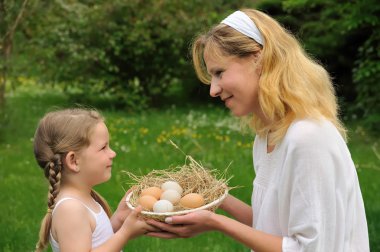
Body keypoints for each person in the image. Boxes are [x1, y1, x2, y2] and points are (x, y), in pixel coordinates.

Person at [146, 9, 370, 251]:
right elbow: (271, 227)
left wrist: (218, 223)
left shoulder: (308, 137)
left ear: (258, 59)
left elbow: (309, 248)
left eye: (219, 72)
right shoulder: (267, 137)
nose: (213, 90)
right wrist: (215, 202)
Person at [33, 108, 157, 252]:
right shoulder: (70, 209)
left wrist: (118, 220)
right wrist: (125, 233)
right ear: (73, 161)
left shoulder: (83, 199)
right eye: (103, 147)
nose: (113, 153)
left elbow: (97, 240)